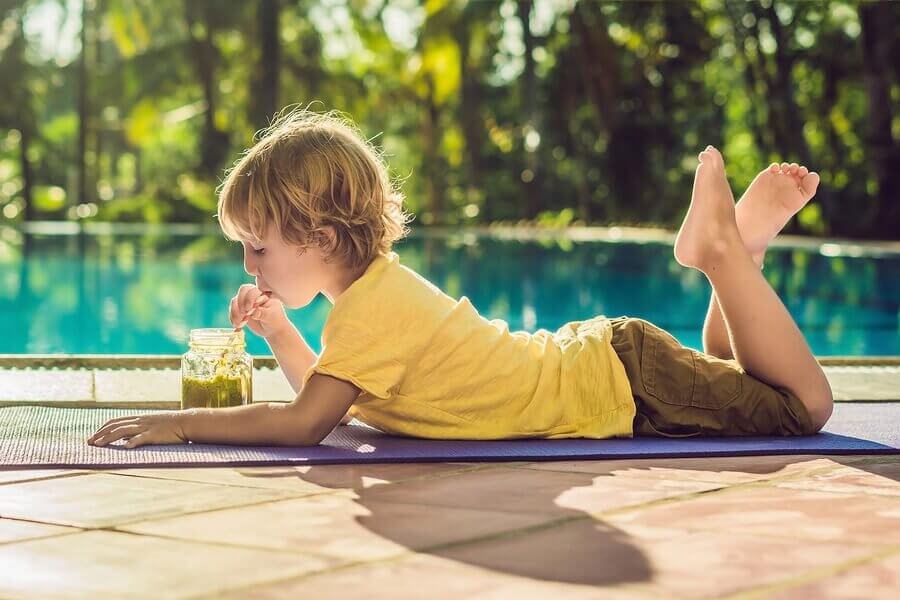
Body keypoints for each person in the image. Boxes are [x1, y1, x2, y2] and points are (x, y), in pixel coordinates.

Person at [88, 109, 833, 448]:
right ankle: (744, 252)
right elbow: (332, 397)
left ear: (317, 239)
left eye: (257, 246)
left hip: (623, 384)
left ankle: (723, 254)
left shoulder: (373, 310)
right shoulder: (372, 297)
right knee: (742, 375)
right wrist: (280, 330)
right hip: (615, 364)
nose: (248, 265)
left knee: (803, 406)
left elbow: (307, 422)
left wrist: (184, 423)